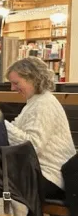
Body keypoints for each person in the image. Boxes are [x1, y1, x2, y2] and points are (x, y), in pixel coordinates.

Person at [6, 57, 75, 200]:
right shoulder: (36, 101)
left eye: (16, 83)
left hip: (50, 176)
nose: (12, 88)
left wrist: (0, 124)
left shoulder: (43, 104)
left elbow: (32, 146)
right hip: (43, 173)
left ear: (32, 78)